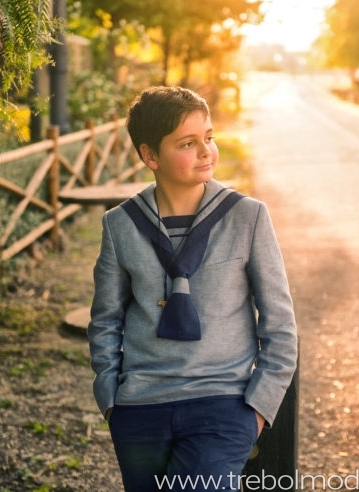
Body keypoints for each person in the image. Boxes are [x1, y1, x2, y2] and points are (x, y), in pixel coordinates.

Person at [87, 86, 298, 492]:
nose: (206, 152)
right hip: (140, 408)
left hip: (222, 402)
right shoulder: (120, 225)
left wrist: (257, 408)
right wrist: (111, 399)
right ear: (150, 156)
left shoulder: (247, 217)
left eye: (209, 137)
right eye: (187, 143)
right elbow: (105, 320)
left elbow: (280, 323)